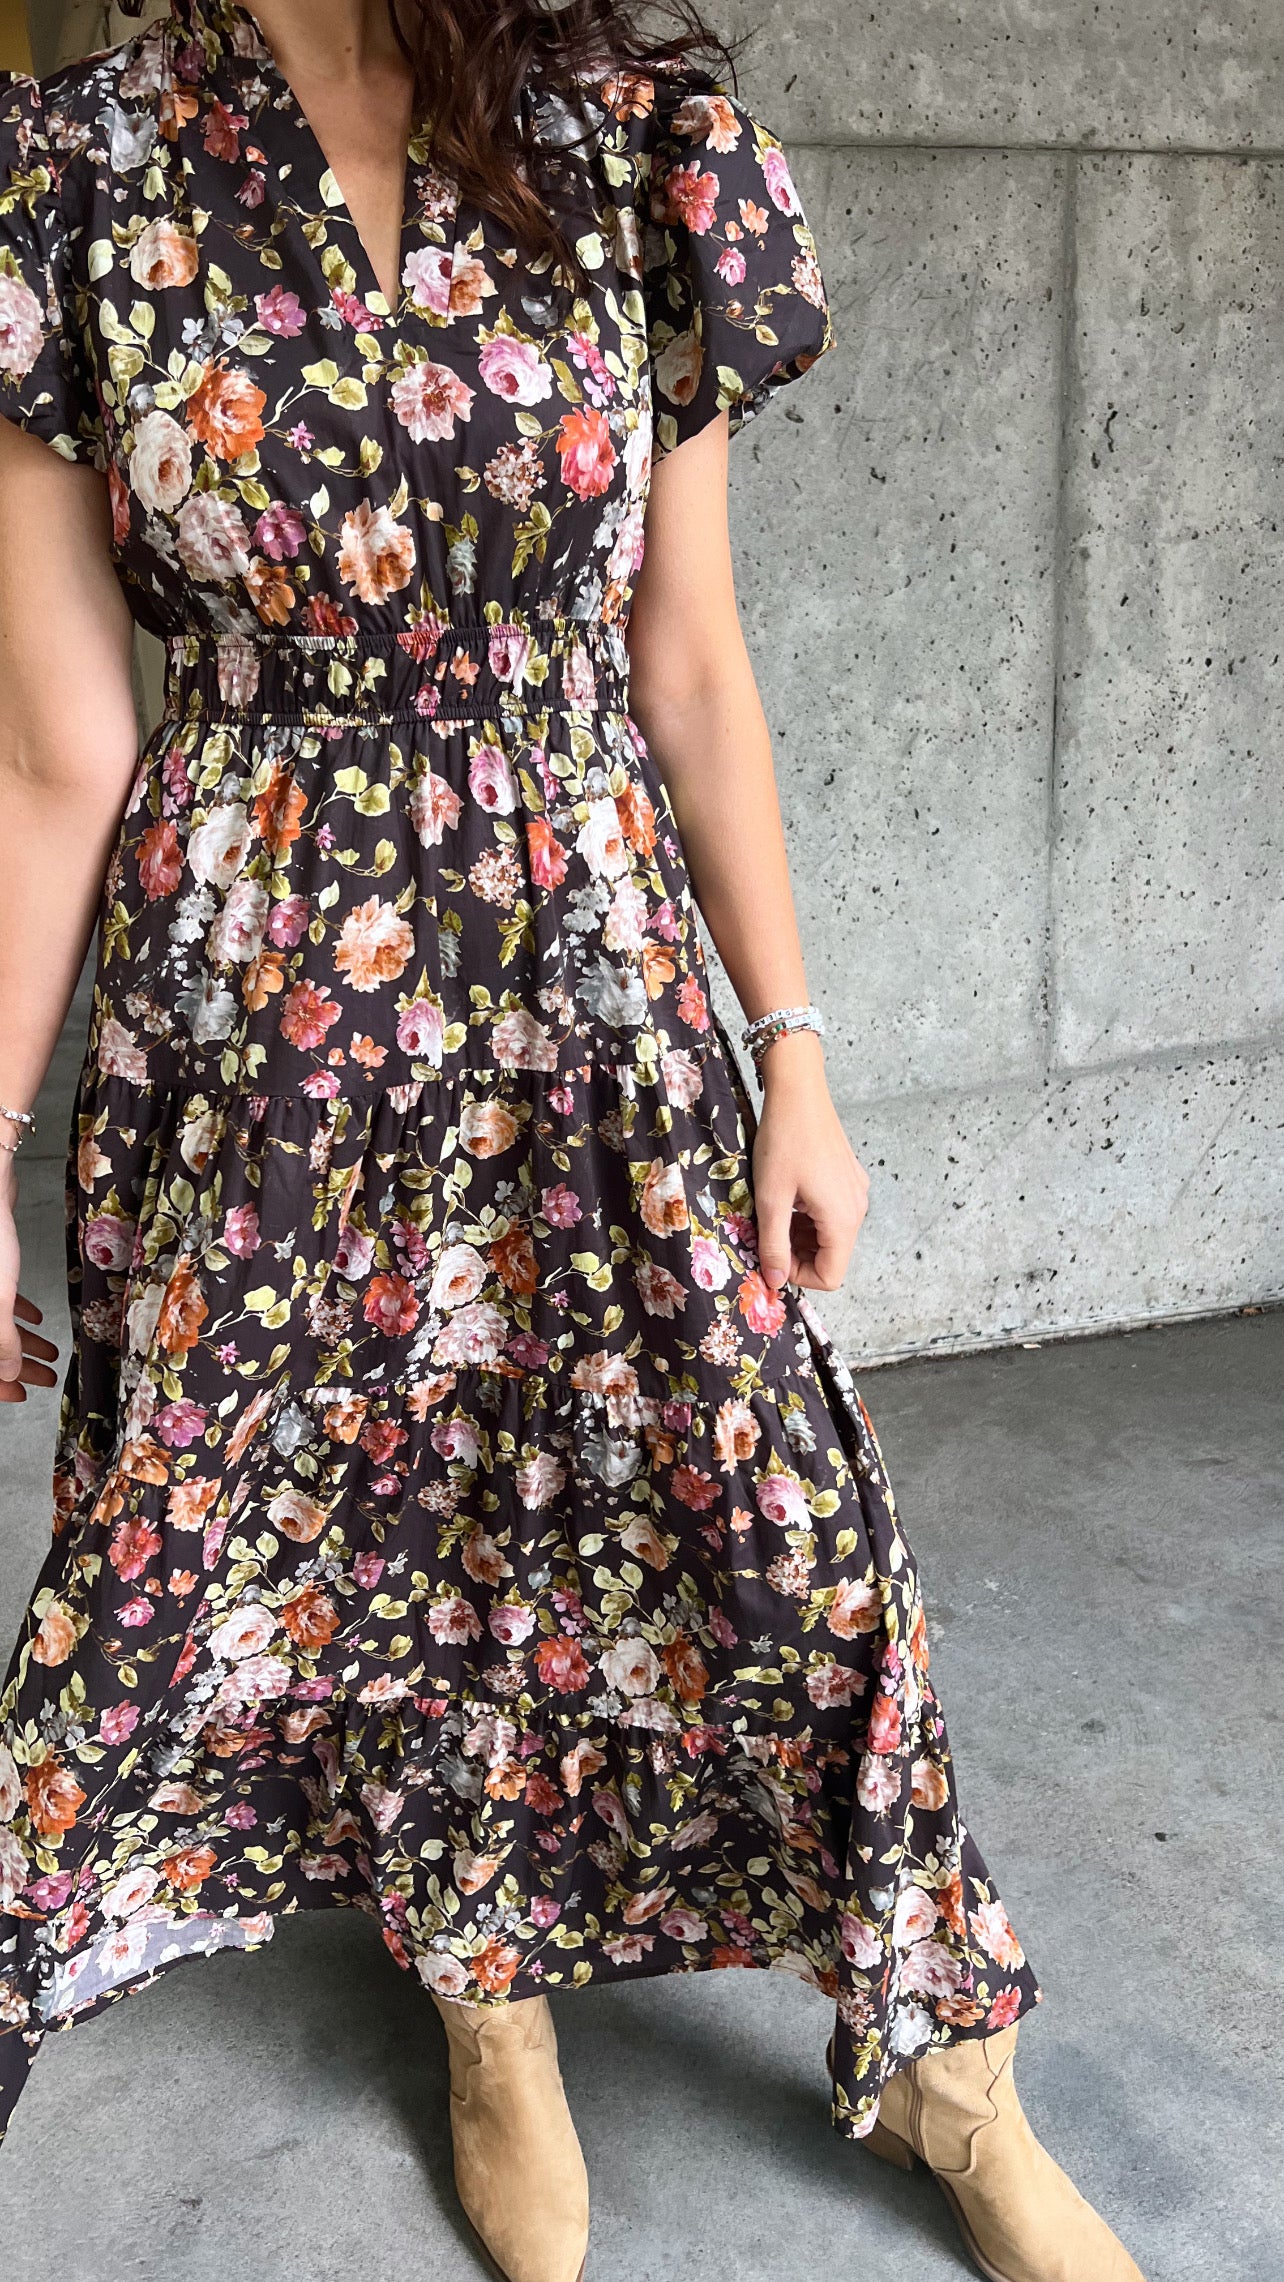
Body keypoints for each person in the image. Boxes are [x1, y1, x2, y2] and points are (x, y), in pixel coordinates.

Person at [0, 5, 1145, 2279]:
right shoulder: (71, 177)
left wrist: (793, 1044)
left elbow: (686, 656)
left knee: (787, 1525)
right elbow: (60, 751)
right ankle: (489, 2001)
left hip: (592, 980)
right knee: (355, 1534)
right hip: (260, 1025)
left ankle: (949, 2066)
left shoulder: (630, 146)